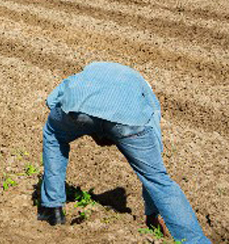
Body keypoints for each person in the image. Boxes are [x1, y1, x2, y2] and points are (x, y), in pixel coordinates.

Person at [38, 62, 210, 244]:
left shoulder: (92, 71)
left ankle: (52, 208)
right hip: (128, 121)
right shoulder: (147, 99)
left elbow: (55, 99)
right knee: (157, 179)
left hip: (79, 106)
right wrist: (152, 213)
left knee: (53, 135)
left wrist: (92, 128)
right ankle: (194, 241)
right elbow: (153, 153)